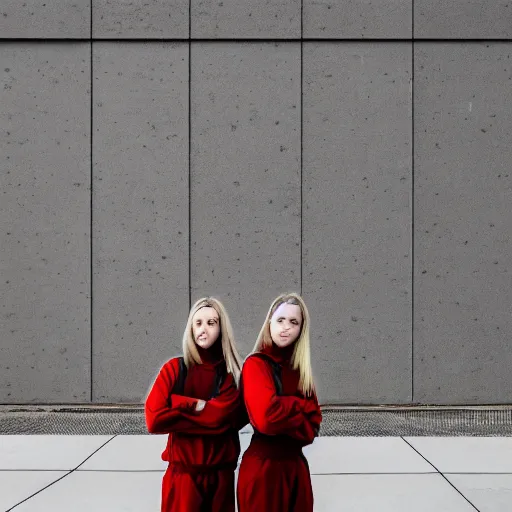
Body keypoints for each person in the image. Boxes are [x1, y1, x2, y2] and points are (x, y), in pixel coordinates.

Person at [145, 297, 246, 512]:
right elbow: (154, 420)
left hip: (220, 478)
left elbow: (220, 419)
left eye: (211, 323)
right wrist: (196, 406)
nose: (204, 329)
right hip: (183, 479)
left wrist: (176, 404)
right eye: (198, 322)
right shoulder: (174, 369)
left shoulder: (232, 374)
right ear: (190, 327)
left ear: (221, 328)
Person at [237, 292, 322, 512]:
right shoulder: (256, 364)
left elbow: (312, 428)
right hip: (263, 472)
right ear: (269, 323)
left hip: (296, 472)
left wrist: (282, 406)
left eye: (293, 322)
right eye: (280, 320)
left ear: (301, 329)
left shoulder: (301, 372)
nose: (285, 327)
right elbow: (266, 420)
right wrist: (299, 405)